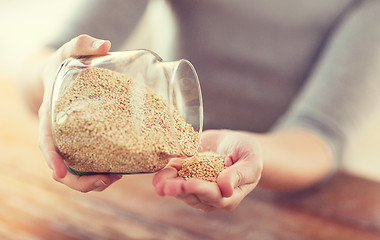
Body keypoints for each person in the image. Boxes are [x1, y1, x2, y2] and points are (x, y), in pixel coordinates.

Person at [19, 0, 380, 212]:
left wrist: (249, 154)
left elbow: (319, 135)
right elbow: (39, 66)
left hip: (281, 178)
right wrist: (52, 76)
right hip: (158, 164)